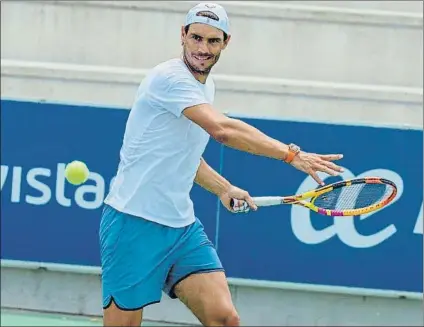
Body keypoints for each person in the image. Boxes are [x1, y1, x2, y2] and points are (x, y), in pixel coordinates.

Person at [100, 2, 343, 326]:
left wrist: (224, 188)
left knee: (224, 318)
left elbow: (184, 155)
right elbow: (223, 130)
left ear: (226, 42)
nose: (203, 48)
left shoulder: (204, 86)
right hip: (133, 224)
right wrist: (291, 154)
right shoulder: (170, 79)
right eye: (196, 38)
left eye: (213, 41)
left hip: (181, 229)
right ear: (183, 35)